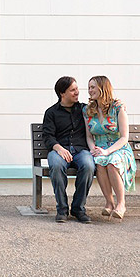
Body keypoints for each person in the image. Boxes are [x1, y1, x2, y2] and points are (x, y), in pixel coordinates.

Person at [42, 76, 95, 223]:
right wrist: (58, 148)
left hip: (81, 150)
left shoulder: (84, 109)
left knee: (89, 165)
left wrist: (117, 105)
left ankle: (78, 209)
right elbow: (48, 136)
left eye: (77, 89)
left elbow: (104, 108)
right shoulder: (51, 112)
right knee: (56, 165)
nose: (77, 92)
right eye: (73, 90)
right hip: (59, 150)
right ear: (62, 93)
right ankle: (62, 209)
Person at [84, 75, 136, 221]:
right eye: (89, 87)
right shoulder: (88, 110)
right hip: (99, 148)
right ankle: (109, 202)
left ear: (102, 87)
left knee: (112, 162)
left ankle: (121, 204)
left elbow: (124, 137)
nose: (89, 90)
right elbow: (89, 136)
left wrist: (107, 151)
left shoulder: (118, 108)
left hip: (119, 148)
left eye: (93, 87)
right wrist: (93, 148)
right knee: (100, 162)